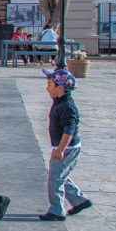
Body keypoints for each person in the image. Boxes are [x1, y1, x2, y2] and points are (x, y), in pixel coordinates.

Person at [40, 67, 92, 221]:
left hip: (66, 148)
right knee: (58, 175)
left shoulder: (67, 107)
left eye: (50, 84)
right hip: (64, 147)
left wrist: (61, 149)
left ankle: (56, 210)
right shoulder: (60, 102)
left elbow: (69, 130)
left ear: (60, 88)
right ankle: (79, 201)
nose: (47, 87)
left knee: (55, 178)